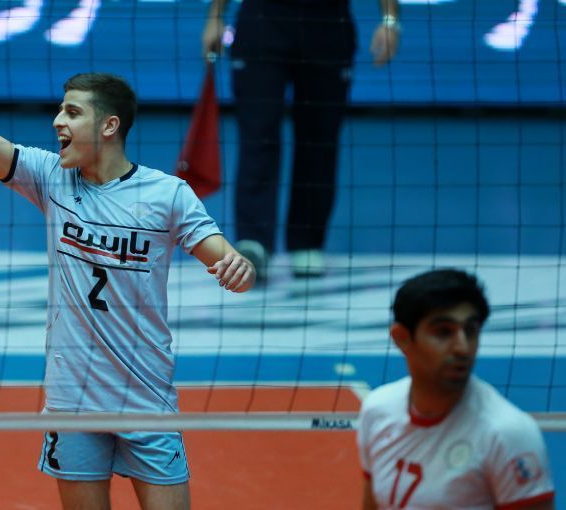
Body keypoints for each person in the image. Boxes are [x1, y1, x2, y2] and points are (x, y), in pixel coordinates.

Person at [0, 13, 256, 510]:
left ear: (109, 125)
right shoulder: (50, 178)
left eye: (72, 113)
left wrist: (239, 269)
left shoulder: (167, 194)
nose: (58, 121)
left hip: (147, 399)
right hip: (72, 399)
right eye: (61, 110)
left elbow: (225, 258)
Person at [202, 0, 400, 279]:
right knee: (257, 135)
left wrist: (390, 21)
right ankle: (254, 242)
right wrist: (215, 16)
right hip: (262, 21)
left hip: (328, 25)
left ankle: (306, 243)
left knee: (320, 139)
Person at [357, 269, 555, 509]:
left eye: (470, 331)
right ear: (401, 338)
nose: (462, 347)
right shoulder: (377, 410)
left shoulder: (507, 433)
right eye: (443, 332)